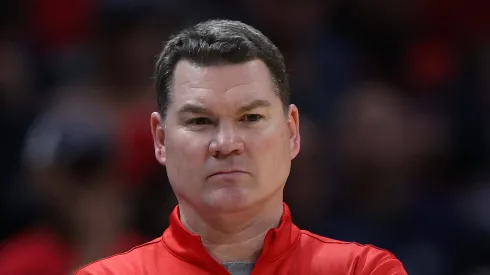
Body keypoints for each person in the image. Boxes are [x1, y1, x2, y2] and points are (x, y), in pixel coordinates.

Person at [76, 19, 407, 275]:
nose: (226, 144)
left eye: (250, 117)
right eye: (200, 121)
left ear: (292, 132)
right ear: (161, 139)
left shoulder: (363, 270)